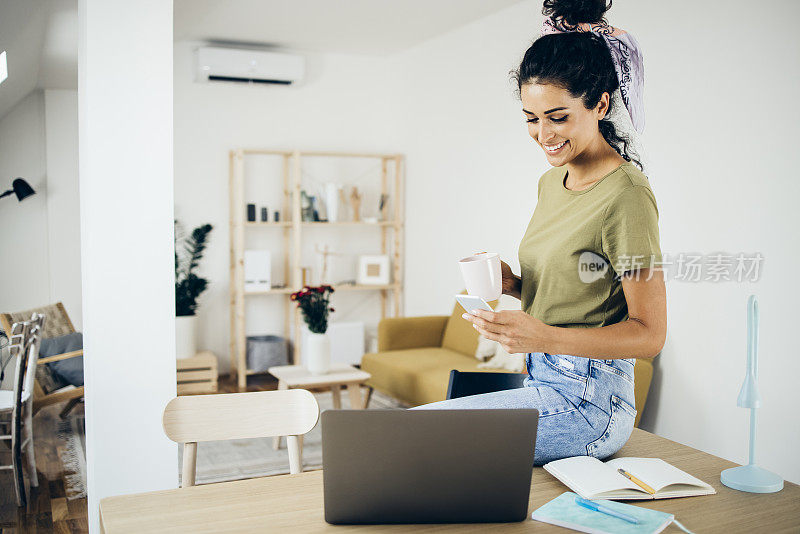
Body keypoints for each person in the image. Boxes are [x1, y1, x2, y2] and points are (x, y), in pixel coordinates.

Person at [410, 0, 667, 466]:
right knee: (411, 432)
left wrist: (542, 336)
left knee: (418, 440)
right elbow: (580, 294)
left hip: (591, 405)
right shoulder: (552, 181)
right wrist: (514, 287)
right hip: (542, 383)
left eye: (558, 116)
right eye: (532, 118)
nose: (543, 134)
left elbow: (649, 334)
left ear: (600, 104)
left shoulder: (627, 192)